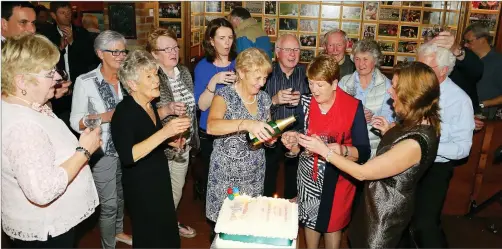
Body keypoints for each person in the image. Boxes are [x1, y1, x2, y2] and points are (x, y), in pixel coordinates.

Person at [297, 61, 441, 248]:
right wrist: (389, 131)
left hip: (385, 213)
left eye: (395, 88)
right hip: (376, 204)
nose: (390, 91)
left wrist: (324, 150)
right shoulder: (417, 122)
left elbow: (362, 172)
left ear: (412, 95)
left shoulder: (415, 143)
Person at [2, 34, 101, 248]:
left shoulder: (23, 103)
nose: (57, 77)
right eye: (49, 73)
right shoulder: (23, 127)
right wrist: (84, 151)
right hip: (46, 231)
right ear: (21, 81)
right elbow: (42, 191)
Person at [281, 55, 371, 249]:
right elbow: (300, 142)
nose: (314, 90)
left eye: (320, 85)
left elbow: (364, 152)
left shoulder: (352, 107)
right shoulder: (304, 103)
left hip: (338, 177)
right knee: (310, 220)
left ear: (334, 83)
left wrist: (341, 149)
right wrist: (293, 143)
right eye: (311, 83)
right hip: (308, 176)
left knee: (333, 225)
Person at [111, 50, 191, 248]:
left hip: (158, 179)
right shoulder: (124, 112)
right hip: (141, 187)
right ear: (132, 84)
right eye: (149, 76)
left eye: (155, 74)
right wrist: (164, 133)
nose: (156, 80)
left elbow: (146, 139)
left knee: (167, 234)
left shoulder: (149, 105)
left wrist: (169, 141)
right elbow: (128, 155)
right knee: (150, 238)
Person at [69, 30, 132, 248]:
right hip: (102, 150)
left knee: (122, 196)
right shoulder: (85, 81)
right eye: (114, 52)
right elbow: (75, 121)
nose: (121, 56)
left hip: (128, 147)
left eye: (123, 51)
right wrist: (106, 116)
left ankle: (118, 232)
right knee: (110, 204)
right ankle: (108, 245)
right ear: (99, 53)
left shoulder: (128, 78)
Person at [206, 47, 275, 239]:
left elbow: (264, 135)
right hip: (226, 177)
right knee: (225, 233)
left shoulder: (263, 99)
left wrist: (271, 139)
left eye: (265, 78)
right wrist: (247, 124)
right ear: (242, 73)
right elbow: (211, 126)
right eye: (257, 78)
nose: (262, 83)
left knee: (248, 231)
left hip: (254, 176)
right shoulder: (224, 96)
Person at [413, 42, 475, 248]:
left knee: (425, 224)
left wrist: (425, 146)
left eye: (426, 69)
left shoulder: (459, 100)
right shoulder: (415, 90)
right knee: (405, 222)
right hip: (409, 165)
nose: (419, 73)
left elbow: (463, 148)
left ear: (444, 71)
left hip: (436, 168)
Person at [146, 27, 198, 238]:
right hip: (158, 147)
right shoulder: (149, 77)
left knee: (175, 192)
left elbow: (192, 108)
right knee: (156, 194)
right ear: (153, 54)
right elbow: (142, 115)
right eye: (166, 49)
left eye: (174, 47)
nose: (172, 52)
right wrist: (167, 110)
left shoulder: (184, 72)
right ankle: (159, 232)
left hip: (183, 144)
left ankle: (168, 224)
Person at [193, 18, 237, 202]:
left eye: (230, 37)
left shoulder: (239, 62)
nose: (227, 42)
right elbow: (202, 106)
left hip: (234, 129)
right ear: (211, 40)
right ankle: (215, 225)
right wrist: (214, 80)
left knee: (233, 180)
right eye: (222, 38)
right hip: (210, 132)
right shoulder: (203, 66)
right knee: (214, 181)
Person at [263, 34, 309, 199]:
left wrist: (302, 101)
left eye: (296, 50)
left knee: (294, 178)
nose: (292, 54)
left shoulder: (305, 74)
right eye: (288, 50)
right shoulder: (266, 73)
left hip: (296, 135)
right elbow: (255, 108)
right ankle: (266, 211)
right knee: (268, 177)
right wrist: (274, 100)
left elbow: (314, 106)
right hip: (272, 134)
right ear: (277, 52)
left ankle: (291, 213)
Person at [42, 2, 98, 134]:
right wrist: (60, 49)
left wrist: (73, 42)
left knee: (81, 121)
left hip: (78, 85)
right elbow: (45, 61)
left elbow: (91, 58)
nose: (67, 16)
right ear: (53, 15)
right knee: (60, 125)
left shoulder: (81, 32)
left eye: (68, 13)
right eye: (62, 13)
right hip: (56, 89)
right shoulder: (47, 34)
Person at [338, 39, 394, 158]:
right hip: (348, 147)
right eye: (357, 59)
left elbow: (390, 118)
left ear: (375, 60)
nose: (360, 64)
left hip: (376, 148)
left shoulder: (387, 85)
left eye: (365, 59)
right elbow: (335, 111)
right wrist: (355, 116)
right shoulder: (344, 83)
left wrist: (372, 118)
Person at [463, 23, 502, 121]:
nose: (465, 44)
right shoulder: (467, 58)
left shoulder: (499, 62)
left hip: (486, 116)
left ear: (482, 39)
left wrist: (482, 104)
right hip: (465, 112)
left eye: (469, 41)